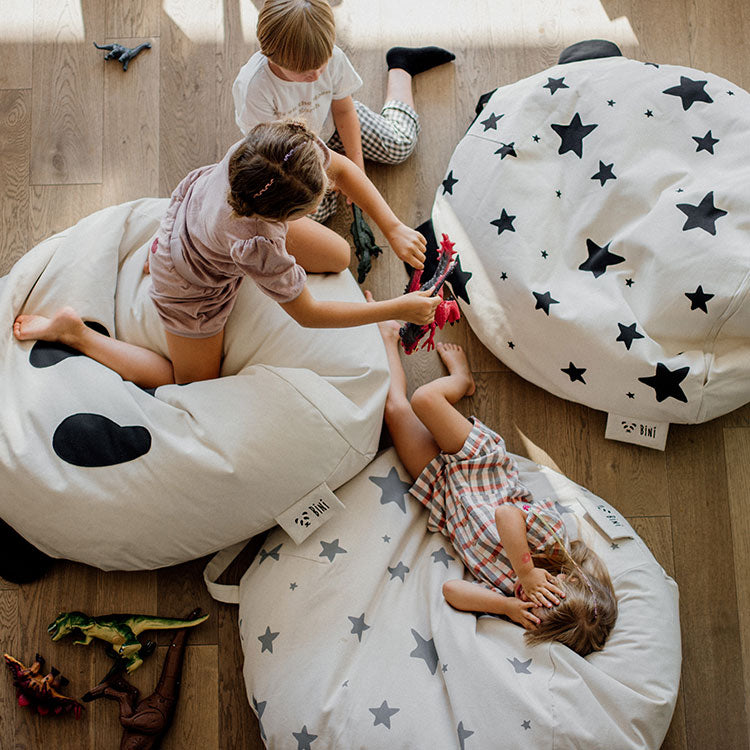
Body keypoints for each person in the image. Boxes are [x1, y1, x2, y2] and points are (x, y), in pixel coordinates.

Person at [12, 120, 440, 389]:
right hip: (188, 282)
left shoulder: (266, 151)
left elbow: (342, 169)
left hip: (201, 213)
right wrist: (393, 308)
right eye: (316, 203)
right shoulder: (260, 247)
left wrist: (394, 226)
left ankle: (165, 249)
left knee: (340, 255)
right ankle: (78, 334)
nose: (326, 194)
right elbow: (308, 314)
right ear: (283, 218)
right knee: (185, 382)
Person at [372, 309, 618, 656]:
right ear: (569, 580)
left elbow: (452, 592)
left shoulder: (510, 596)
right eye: (545, 598)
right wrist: (527, 571)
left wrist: (508, 608)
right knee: (424, 399)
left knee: (396, 409)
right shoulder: (553, 542)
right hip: (478, 465)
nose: (531, 599)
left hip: (444, 493)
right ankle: (462, 379)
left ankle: (386, 339)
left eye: (536, 612)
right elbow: (506, 513)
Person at [232, 0, 455, 221]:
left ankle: (401, 67)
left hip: (331, 123)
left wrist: (357, 168)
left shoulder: (333, 58)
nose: (318, 76)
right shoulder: (255, 88)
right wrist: (328, 175)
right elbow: (273, 152)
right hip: (293, 153)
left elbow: (344, 111)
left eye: (322, 65)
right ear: (269, 56)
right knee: (310, 213)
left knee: (401, 145)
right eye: (306, 73)